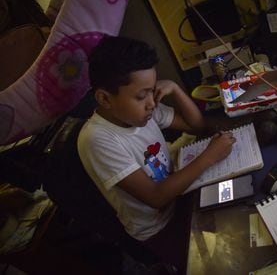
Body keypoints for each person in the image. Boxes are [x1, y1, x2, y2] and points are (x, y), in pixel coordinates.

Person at [77, 35, 235, 273]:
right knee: (224, 258)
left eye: (152, 91)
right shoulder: (97, 140)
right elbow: (156, 197)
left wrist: (174, 88)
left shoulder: (139, 111)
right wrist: (209, 156)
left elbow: (196, 126)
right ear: (104, 98)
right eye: (141, 96)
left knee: (238, 205)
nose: (151, 103)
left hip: (181, 195)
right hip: (160, 228)